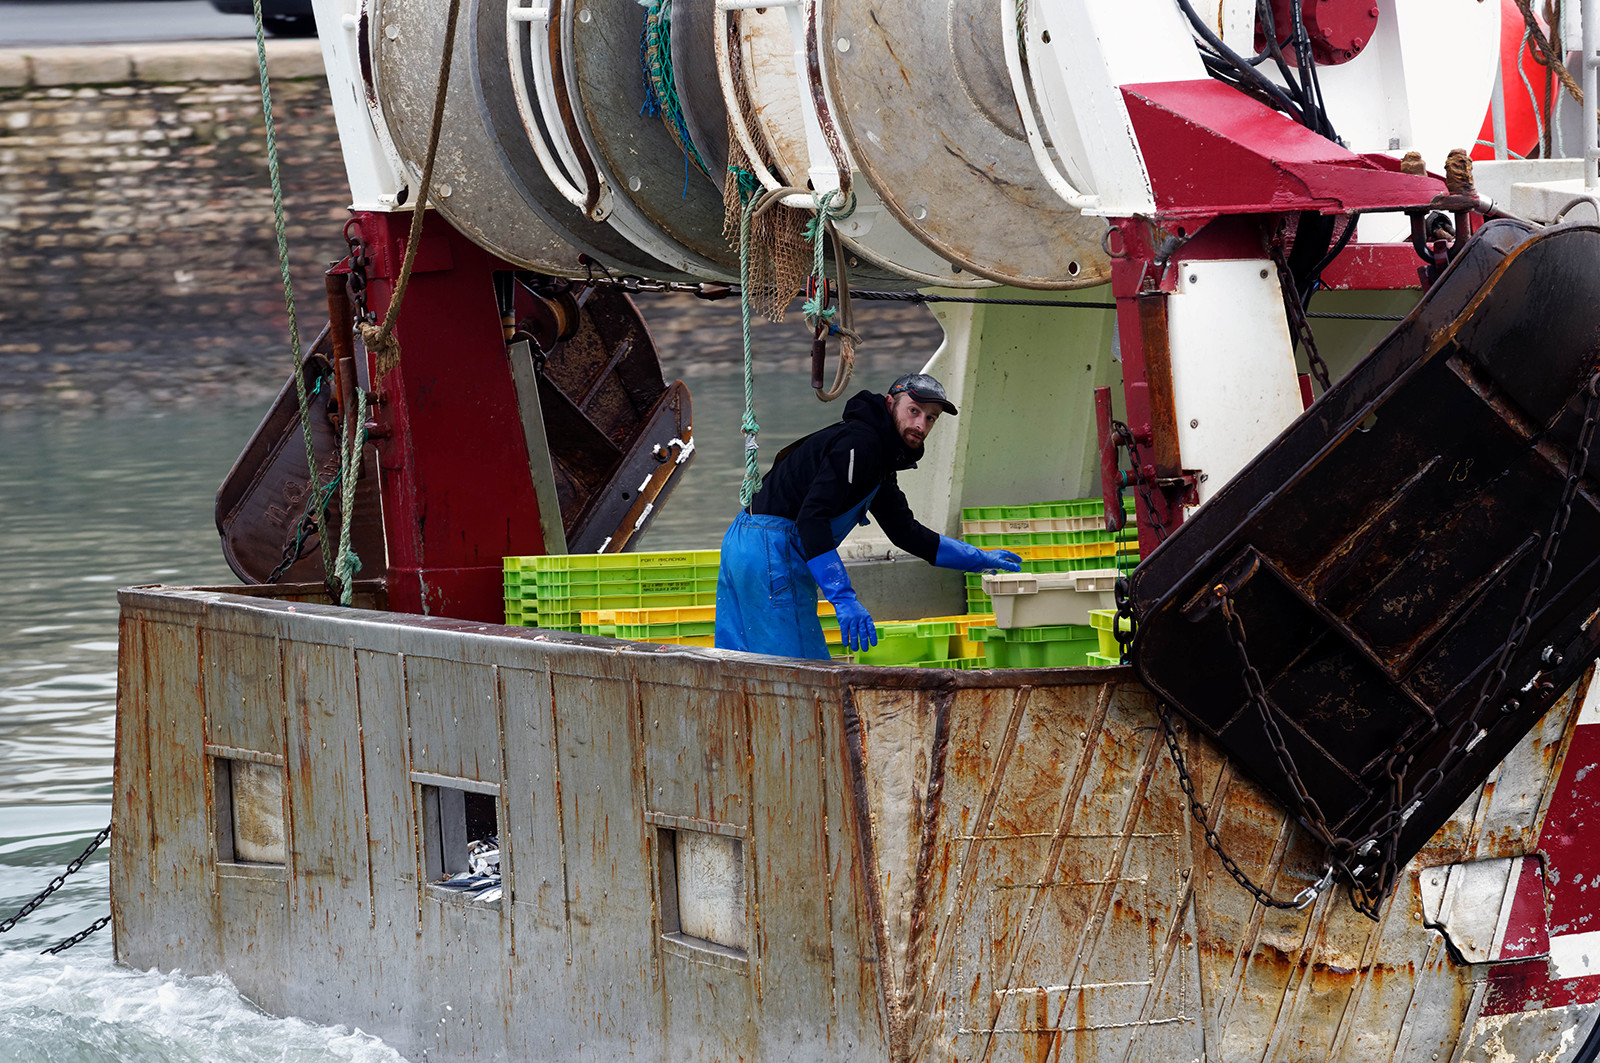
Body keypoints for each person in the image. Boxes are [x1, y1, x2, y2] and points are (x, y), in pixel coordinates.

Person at [714, 372, 1022, 659]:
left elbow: (905, 532)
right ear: (890, 403)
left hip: (741, 544)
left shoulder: (878, 456)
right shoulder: (861, 445)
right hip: (771, 553)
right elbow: (812, 520)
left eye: (931, 418)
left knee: (738, 664)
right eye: (913, 411)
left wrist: (977, 558)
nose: (921, 425)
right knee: (802, 676)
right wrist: (843, 598)